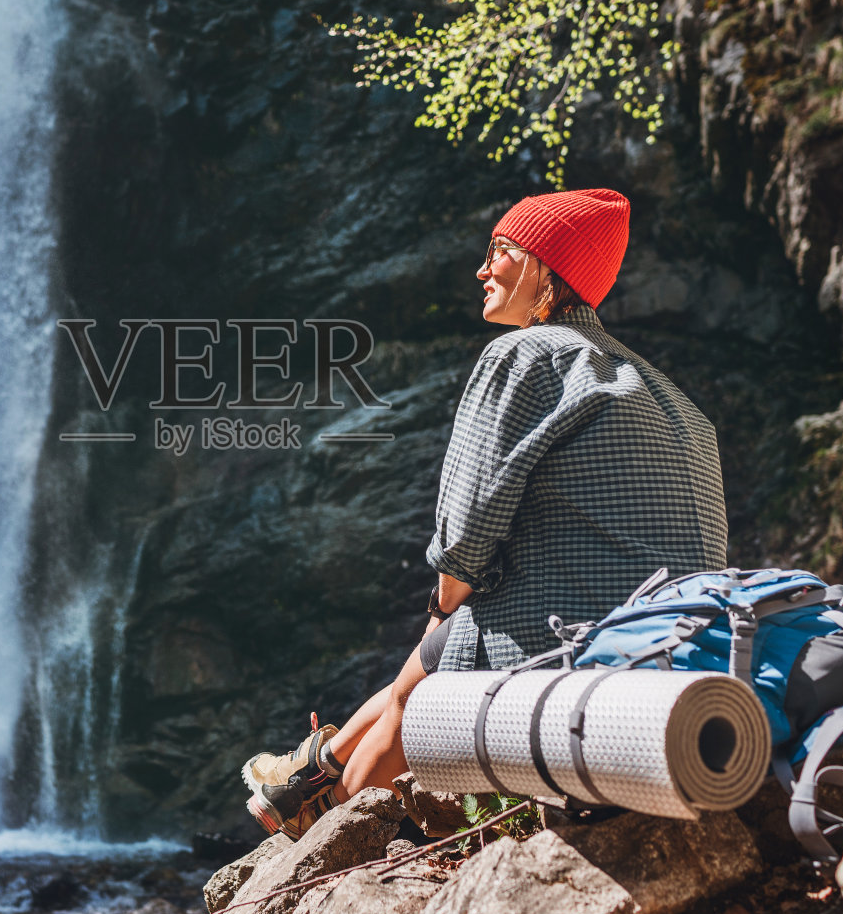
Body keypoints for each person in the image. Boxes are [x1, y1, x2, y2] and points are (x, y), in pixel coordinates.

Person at [242, 188, 728, 840]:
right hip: (676, 646)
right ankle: (312, 771)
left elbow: (465, 537)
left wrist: (444, 613)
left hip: (583, 645)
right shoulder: (673, 397)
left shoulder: (526, 355)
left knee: (434, 658)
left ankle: (329, 835)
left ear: (546, 268)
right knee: (442, 644)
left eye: (500, 250)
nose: (481, 269)